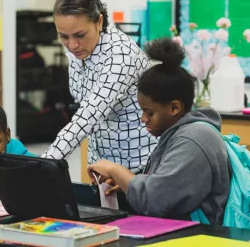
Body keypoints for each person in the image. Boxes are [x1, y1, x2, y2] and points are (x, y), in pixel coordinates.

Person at [87, 38, 230, 224]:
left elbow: (154, 201)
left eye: (149, 112)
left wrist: (115, 170)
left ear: (174, 108)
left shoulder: (193, 139)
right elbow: (163, 188)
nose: (143, 118)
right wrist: (125, 184)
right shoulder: (179, 133)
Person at [41, 0, 157, 174]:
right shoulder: (79, 52)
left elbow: (90, 114)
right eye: (64, 37)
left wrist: (43, 164)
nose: (72, 45)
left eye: (79, 35)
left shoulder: (121, 56)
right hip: (101, 165)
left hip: (139, 168)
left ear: (99, 22)